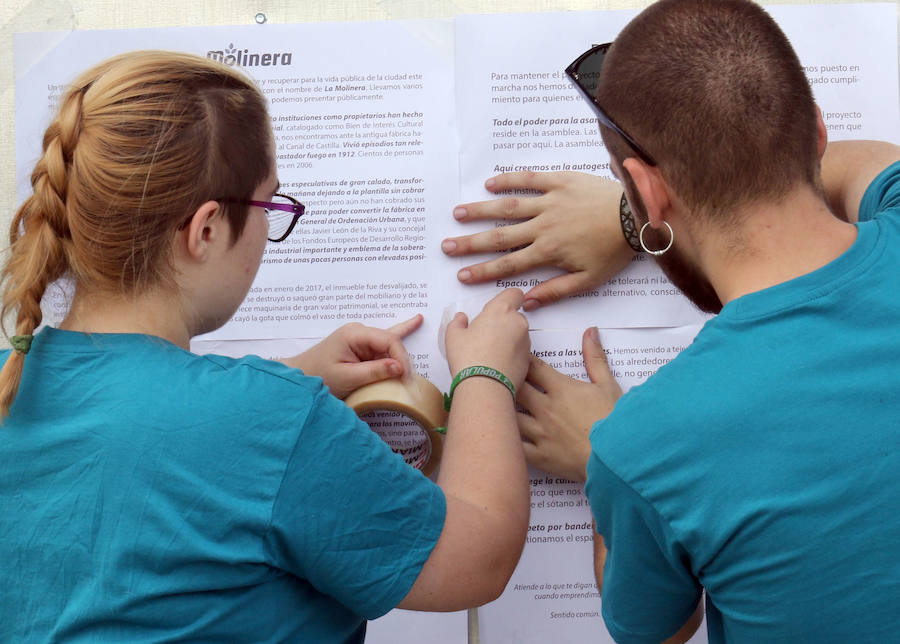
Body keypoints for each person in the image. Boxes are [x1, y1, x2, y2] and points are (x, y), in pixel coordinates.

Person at [0, 50, 532, 642]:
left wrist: (287, 377)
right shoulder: (269, 421)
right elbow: (476, 557)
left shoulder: (9, 380)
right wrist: (487, 375)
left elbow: (127, 436)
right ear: (204, 230)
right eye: (269, 204)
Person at [450, 0, 900, 642]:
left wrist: (602, 461)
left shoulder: (643, 446)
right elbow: (871, 162)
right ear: (818, 132)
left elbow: (661, 631)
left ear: (648, 188)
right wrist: (637, 214)